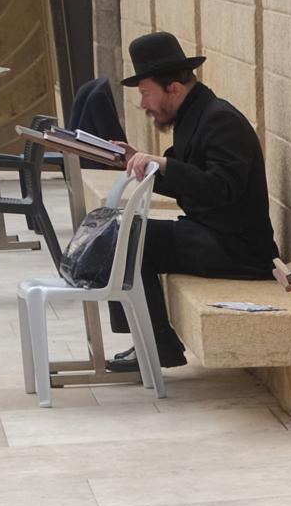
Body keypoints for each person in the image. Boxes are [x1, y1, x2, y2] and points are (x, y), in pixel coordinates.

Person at [104, 31, 280, 371]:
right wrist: (135, 160)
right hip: (208, 234)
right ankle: (150, 342)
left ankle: (156, 346)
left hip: (239, 249)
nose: (143, 104)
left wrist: (164, 164)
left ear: (174, 88)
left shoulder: (219, 119)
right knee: (122, 235)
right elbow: (186, 182)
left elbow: (220, 188)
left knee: (129, 240)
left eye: (145, 94)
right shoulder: (191, 116)